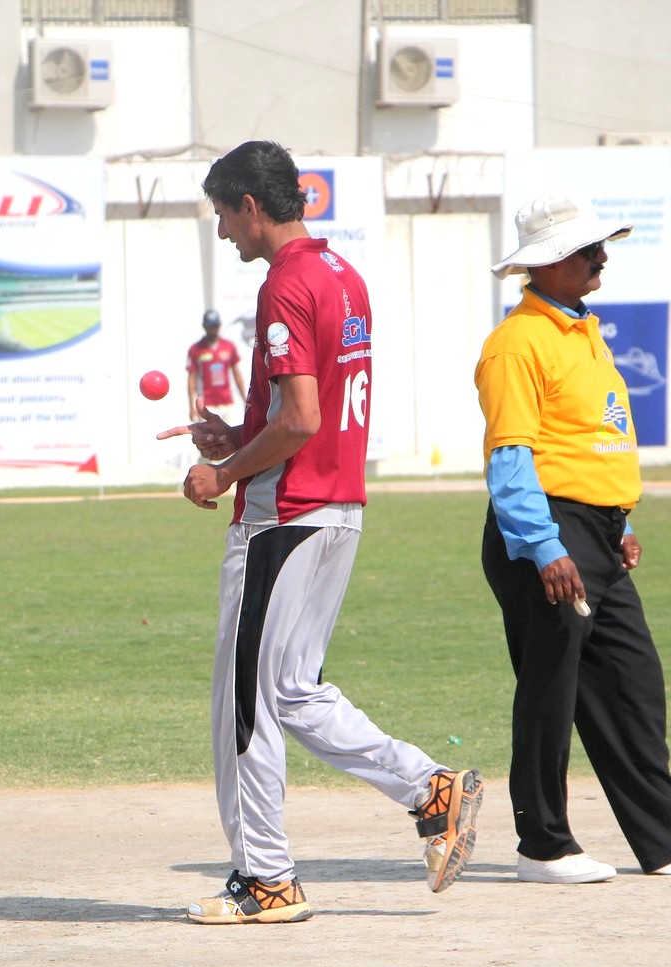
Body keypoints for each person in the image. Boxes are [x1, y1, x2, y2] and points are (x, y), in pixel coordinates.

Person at [157, 140, 482, 924]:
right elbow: (311, 408)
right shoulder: (343, 274)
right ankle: (430, 788)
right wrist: (240, 433)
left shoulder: (286, 282)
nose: (223, 231)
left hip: (284, 517)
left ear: (250, 206)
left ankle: (265, 878)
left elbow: (301, 417)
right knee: (292, 691)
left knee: (244, 703)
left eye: (223, 214)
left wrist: (224, 470)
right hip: (338, 508)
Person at [474, 193, 671, 884]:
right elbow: (510, 459)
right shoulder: (517, 342)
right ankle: (543, 847)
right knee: (550, 691)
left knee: (633, 683)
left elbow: (588, 438)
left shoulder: (582, 330)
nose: (603, 257)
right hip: (548, 532)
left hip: (595, 532)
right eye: (587, 249)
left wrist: (620, 522)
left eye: (601, 246)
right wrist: (546, 547)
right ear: (547, 263)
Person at [186, 308, 246, 424]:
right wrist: (191, 406)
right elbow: (191, 378)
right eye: (210, 327)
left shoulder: (228, 346)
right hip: (207, 405)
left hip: (227, 403)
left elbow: (236, 373)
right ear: (204, 326)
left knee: (232, 434)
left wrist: (245, 398)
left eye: (215, 326)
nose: (213, 330)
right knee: (209, 435)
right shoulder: (196, 349)